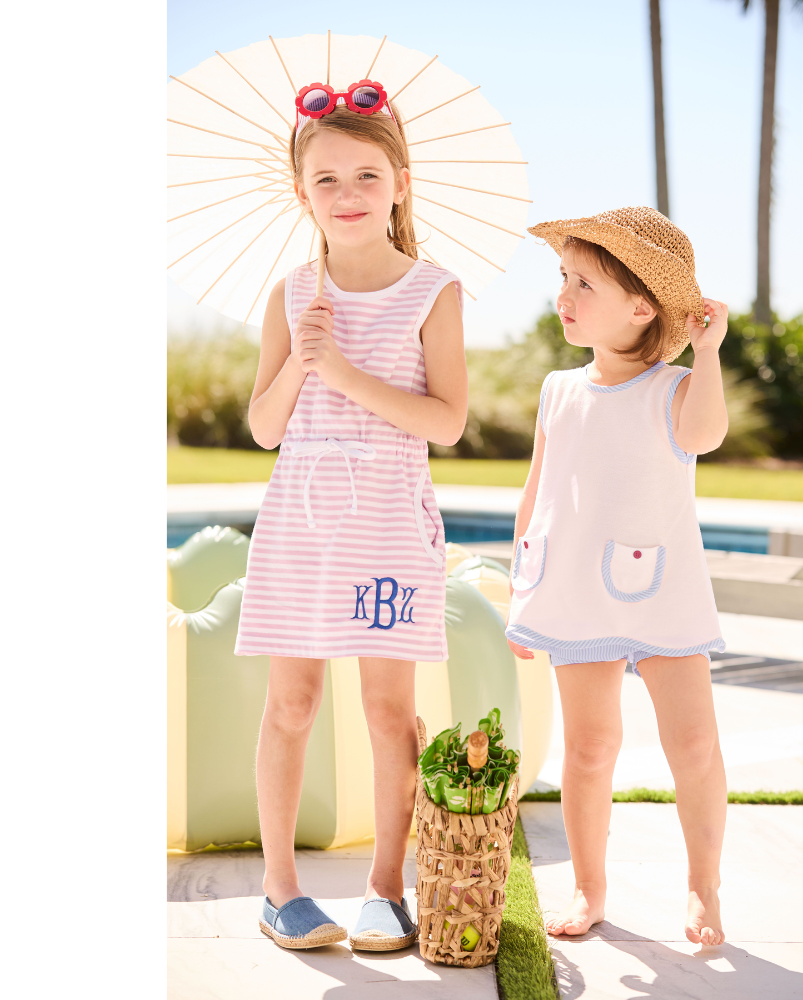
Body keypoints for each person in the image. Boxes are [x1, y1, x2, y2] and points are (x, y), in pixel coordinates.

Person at [235, 83, 467, 951]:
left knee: (385, 710)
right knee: (291, 704)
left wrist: (343, 372)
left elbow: (447, 421)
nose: (348, 194)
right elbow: (264, 428)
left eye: (367, 174)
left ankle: (384, 888)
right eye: (326, 179)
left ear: (401, 183)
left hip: (387, 525)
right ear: (303, 193)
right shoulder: (291, 294)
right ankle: (280, 890)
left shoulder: (434, 291)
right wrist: (303, 362)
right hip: (300, 525)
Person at [505, 207, 729, 946]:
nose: (564, 296)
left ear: (641, 307)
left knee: (692, 746)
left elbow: (705, 435)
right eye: (563, 278)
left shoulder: (675, 389)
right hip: (575, 592)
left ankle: (703, 886)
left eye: (584, 284)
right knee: (589, 747)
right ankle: (588, 886)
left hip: (662, 590)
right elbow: (536, 496)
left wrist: (709, 354)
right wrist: (522, 590)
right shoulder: (558, 390)